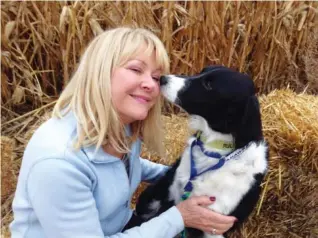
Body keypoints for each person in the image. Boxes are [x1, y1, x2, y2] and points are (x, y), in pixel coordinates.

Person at [10, 27, 237, 238]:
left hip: (118, 227)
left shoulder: (122, 126)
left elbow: (126, 166)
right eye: (136, 69)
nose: (150, 84)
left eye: (157, 77)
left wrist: (181, 175)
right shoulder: (59, 162)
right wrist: (179, 216)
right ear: (99, 72)